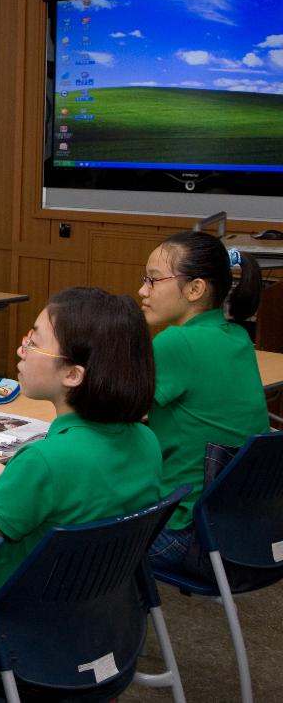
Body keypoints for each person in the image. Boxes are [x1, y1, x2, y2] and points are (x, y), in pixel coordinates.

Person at [0, 287, 162, 687]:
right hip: (90, 629)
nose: (22, 349)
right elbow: (40, 499)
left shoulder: (47, 463)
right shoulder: (144, 442)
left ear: (73, 374)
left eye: (34, 340)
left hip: (4, 641)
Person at [139, 231, 269, 575]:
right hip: (246, 529)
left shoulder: (177, 342)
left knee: (57, 525)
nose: (142, 291)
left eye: (153, 280)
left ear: (195, 289)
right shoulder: (237, 336)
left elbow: (111, 413)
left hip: (187, 533)